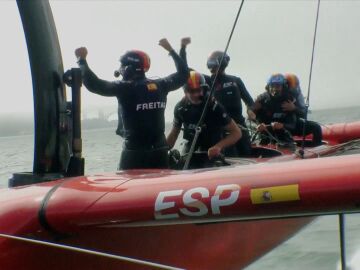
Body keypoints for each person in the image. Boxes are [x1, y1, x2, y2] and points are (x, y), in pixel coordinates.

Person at [75, 38, 189, 170]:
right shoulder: (161, 85)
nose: (120, 70)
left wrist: (81, 60)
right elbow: (184, 73)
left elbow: (94, 84)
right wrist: (171, 51)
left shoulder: (125, 87)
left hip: (134, 152)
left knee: (128, 187)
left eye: (122, 66)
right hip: (160, 150)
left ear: (129, 67)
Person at [179, 38, 255, 157]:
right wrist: (183, 48)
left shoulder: (235, 80)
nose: (210, 66)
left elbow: (249, 101)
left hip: (240, 126)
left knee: (247, 154)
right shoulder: (208, 81)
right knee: (230, 157)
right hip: (222, 128)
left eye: (212, 63)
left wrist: (250, 110)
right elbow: (184, 70)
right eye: (209, 64)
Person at [166, 70, 241, 169]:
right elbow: (174, 133)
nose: (196, 94)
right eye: (191, 91)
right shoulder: (180, 108)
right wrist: (163, 152)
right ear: (185, 91)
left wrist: (218, 146)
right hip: (191, 147)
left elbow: (236, 133)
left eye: (198, 90)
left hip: (213, 149)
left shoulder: (214, 106)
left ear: (204, 89)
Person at [252, 73, 298, 146]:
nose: (274, 88)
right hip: (265, 134)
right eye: (272, 86)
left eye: (277, 86)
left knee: (315, 128)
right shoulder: (261, 99)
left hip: (284, 134)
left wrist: (283, 125)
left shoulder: (289, 99)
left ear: (283, 87)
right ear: (268, 87)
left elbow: (293, 124)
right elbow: (251, 115)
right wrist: (258, 124)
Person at [284, 73, 323, 146]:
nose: (294, 87)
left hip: (294, 124)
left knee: (316, 127)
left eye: (296, 84)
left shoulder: (297, 95)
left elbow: (303, 114)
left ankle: (317, 147)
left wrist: (294, 108)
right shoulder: (279, 95)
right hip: (282, 126)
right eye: (291, 84)